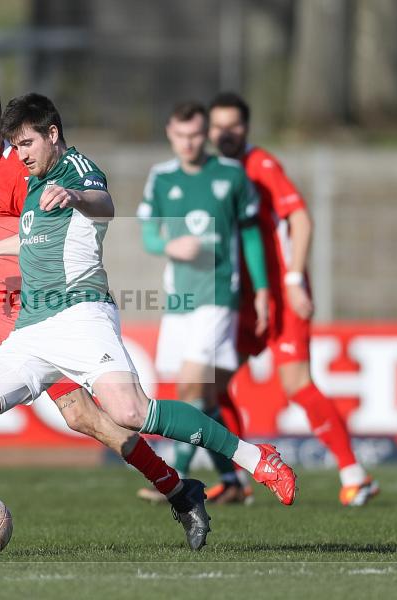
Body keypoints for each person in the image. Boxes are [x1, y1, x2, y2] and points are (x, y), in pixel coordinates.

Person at [0, 93, 297, 555]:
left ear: (52, 135)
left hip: (80, 315)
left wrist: (78, 196)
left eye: (25, 144)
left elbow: (104, 203)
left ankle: (256, 458)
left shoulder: (76, 171)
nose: (19, 155)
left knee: (129, 413)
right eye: (14, 145)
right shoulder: (33, 179)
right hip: (31, 327)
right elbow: (31, 243)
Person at [208, 91, 379, 506]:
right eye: (218, 126)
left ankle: (354, 475)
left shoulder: (260, 165)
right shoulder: (212, 171)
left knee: (297, 384)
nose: (225, 133)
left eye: (233, 125)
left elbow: (299, 218)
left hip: (281, 296)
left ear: (246, 128)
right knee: (212, 388)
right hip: (241, 299)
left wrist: (295, 279)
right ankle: (236, 480)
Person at [135, 101, 272, 505]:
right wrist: (168, 244)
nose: (189, 143)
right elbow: (147, 234)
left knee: (191, 386)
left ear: (206, 134)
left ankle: (174, 481)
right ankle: (232, 480)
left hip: (218, 295)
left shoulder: (231, 175)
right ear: (169, 134)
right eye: (181, 135)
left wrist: (261, 290)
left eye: (196, 134)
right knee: (202, 399)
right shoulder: (160, 178)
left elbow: (249, 235)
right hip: (179, 298)